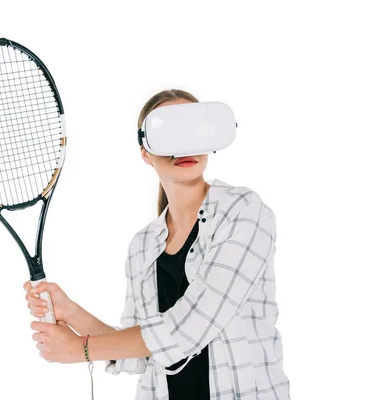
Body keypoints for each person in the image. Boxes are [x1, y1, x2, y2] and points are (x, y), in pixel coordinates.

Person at [24, 89, 291, 400]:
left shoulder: (243, 210)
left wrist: (80, 349)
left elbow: (190, 326)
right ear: (145, 153)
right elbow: (139, 352)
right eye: (169, 135)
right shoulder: (142, 245)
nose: (185, 147)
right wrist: (69, 311)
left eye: (193, 131)